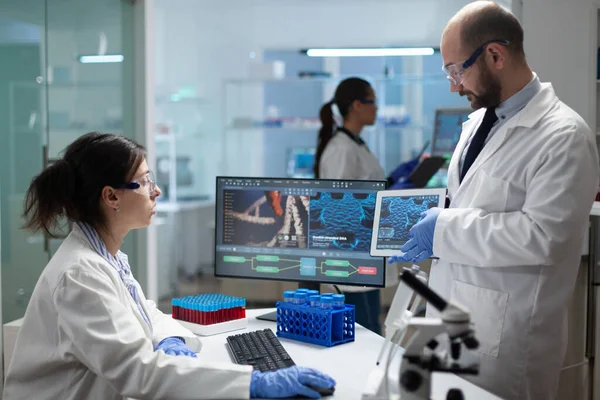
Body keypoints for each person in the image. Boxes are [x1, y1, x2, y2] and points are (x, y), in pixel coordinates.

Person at [3, 132, 336, 400]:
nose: (157, 191)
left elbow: (143, 312)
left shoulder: (103, 256)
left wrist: (168, 339)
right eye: (146, 181)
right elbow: (140, 373)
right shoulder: (80, 274)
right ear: (112, 196)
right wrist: (253, 385)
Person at [389, 2, 600, 399]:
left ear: (495, 55)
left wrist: (445, 228)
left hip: (508, 346)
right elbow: (472, 205)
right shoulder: (476, 124)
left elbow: (545, 236)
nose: (453, 84)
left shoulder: (563, 135)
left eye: (457, 70)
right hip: (452, 327)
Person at [314, 77, 419, 335]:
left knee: (371, 329)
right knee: (362, 335)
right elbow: (337, 207)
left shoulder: (355, 144)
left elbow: (362, 187)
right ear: (356, 106)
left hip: (364, 259)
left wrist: (392, 181)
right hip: (352, 263)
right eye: (373, 101)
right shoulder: (342, 150)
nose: (377, 108)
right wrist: (387, 195)